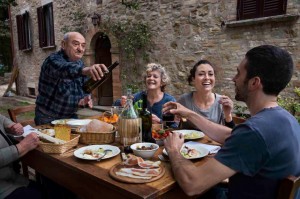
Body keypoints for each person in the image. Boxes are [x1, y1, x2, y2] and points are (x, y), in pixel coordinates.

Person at [162, 45, 300, 198]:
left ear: (254, 82)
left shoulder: (253, 133)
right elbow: (232, 135)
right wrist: (190, 114)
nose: (234, 79)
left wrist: (174, 150)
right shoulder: (287, 120)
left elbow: (192, 184)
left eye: (238, 73)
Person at [35, 32, 108, 125]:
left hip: (71, 117)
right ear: (63, 44)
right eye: (76, 44)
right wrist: (86, 70)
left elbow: (83, 88)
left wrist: (84, 99)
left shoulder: (80, 63)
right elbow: (65, 69)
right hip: (48, 118)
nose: (80, 49)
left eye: (83, 45)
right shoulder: (52, 60)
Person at [114, 63, 178, 128]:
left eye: (155, 76)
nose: (151, 78)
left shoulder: (169, 101)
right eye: (148, 76)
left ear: (162, 82)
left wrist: (159, 122)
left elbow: (174, 126)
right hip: (140, 136)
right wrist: (122, 102)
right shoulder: (138, 97)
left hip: (160, 137)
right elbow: (116, 106)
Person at [178, 59, 234, 129]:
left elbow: (231, 133)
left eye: (210, 74)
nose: (207, 78)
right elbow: (173, 125)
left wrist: (228, 114)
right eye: (201, 74)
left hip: (212, 140)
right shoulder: (184, 100)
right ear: (193, 79)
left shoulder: (222, 102)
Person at [0, 114, 42, 199]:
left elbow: (2, 119)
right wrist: (22, 147)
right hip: (3, 187)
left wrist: (12, 125)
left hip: (11, 176)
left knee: (50, 189)